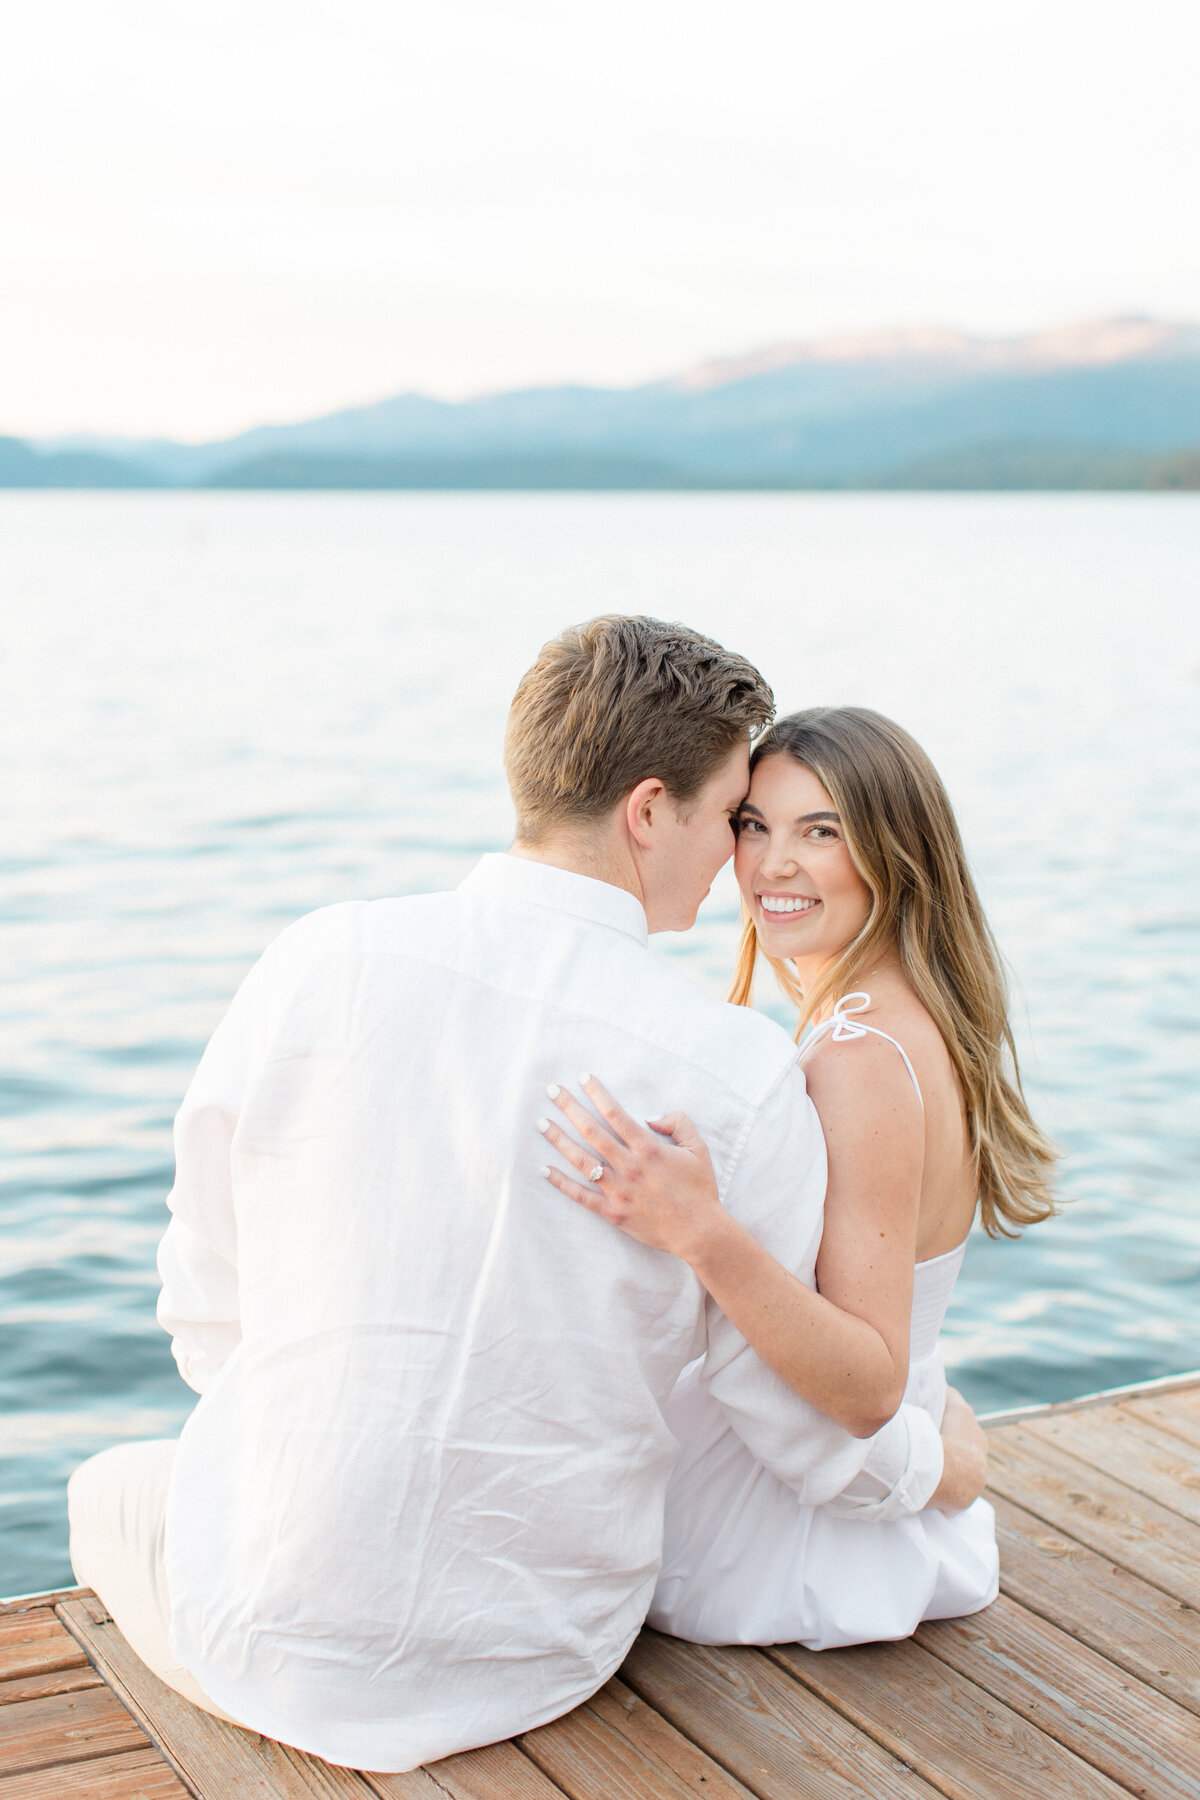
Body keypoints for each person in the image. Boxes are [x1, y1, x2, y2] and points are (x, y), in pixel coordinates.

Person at [67, 624, 988, 1773]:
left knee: (107, 1484)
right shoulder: (737, 1074)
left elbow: (207, 1284)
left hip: (268, 1629)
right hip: (543, 1648)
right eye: (732, 820)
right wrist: (937, 1467)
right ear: (650, 813)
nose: (738, 865)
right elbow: (789, 1421)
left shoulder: (322, 958)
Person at [541, 705, 1057, 1649]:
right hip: (883, 1454)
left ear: (896, 853)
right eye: (753, 825)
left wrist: (697, 1228)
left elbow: (865, 1381)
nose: (773, 863)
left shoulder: (857, 1054)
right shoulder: (903, 1012)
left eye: (821, 831)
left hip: (789, 1531)